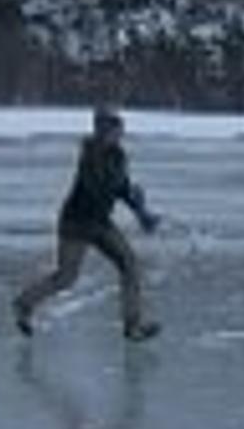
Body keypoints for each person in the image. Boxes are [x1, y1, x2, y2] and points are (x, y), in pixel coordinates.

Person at [16, 104, 158, 341]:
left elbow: (121, 187)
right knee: (66, 277)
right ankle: (23, 304)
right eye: (113, 130)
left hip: (100, 223)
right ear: (101, 131)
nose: (118, 135)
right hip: (76, 223)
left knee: (130, 265)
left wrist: (141, 211)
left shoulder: (118, 155)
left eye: (119, 130)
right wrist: (133, 200)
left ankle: (133, 325)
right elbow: (97, 187)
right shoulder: (90, 154)